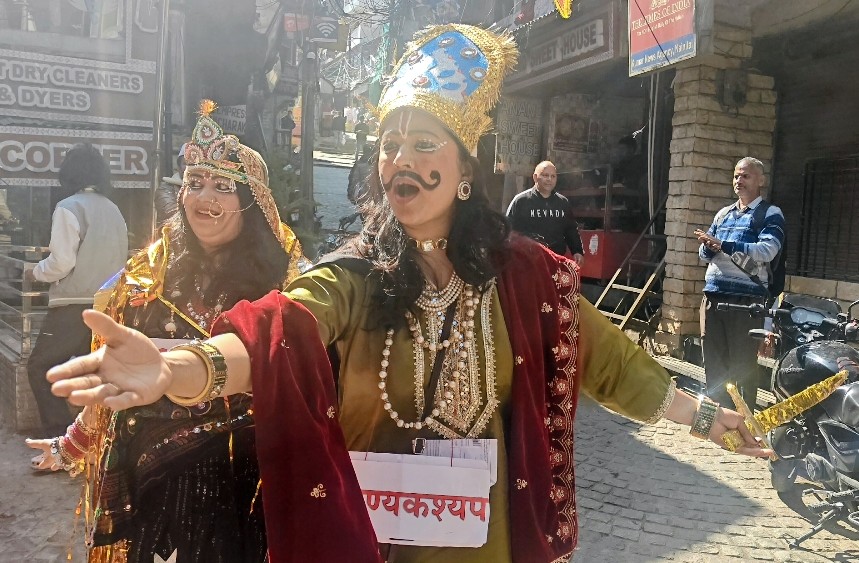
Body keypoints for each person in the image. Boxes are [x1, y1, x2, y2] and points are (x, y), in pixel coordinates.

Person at [49, 25, 770, 563]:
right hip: (372, 541)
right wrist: (182, 367)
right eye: (390, 145)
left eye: (424, 143)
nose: (401, 159)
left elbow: (609, 359)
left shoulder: (526, 277)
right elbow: (283, 328)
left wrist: (706, 417)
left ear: (465, 168)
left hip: (488, 544)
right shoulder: (358, 274)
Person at [29, 101, 308, 562]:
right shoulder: (147, 275)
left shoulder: (287, 283)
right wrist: (72, 443)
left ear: (253, 201)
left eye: (222, 186)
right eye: (194, 183)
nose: (203, 198)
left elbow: (304, 382)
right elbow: (118, 376)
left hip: (243, 483)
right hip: (149, 482)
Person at [24, 144, 127, 444]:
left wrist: (34, 272)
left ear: (69, 173)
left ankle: (60, 440)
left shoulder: (68, 207)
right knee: (90, 374)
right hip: (107, 306)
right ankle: (89, 442)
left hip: (73, 306)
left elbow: (61, 263)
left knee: (40, 367)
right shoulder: (114, 209)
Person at [694, 157, 786, 409]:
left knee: (742, 364)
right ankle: (719, 418)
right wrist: (708, 246)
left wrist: (724, 245)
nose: (739, 181)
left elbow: (767, 250)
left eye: (745, 176)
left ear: (761, 180)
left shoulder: (770, 214)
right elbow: (704, 256)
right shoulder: (723, 214)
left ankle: (743, 420)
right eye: (736, 176)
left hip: (746, 303)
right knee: (713, 362)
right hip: (713, 298)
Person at [505, 160, 584, 264]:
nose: (549, 179)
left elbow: (571, 230)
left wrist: (577, 251)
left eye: (553, 176)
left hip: (555, 260)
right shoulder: (520, 201)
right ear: (535, 177)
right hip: (527, 260)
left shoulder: (563, 202)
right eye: (545, 175)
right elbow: (508, 230)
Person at [154, 143, 187, 226]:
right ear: (179, 167)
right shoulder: (166, 189)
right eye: (186, 163)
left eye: (194, 164)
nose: (190, 167)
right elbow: (172, 214)